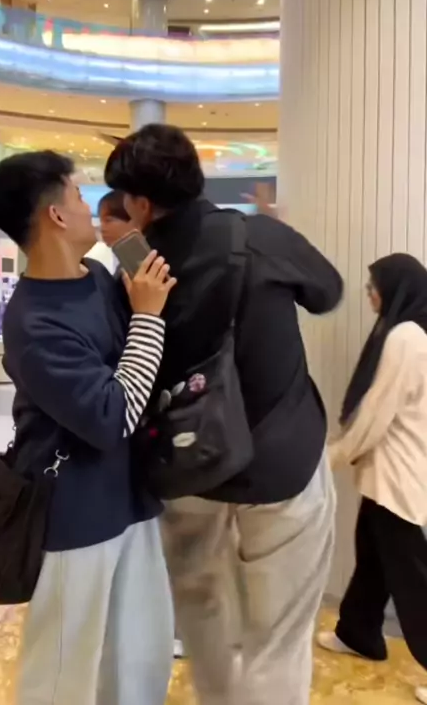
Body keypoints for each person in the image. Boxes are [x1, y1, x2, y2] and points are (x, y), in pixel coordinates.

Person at [104, 123, 343, 705]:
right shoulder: (259, 236)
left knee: (201, 609)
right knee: (277, 637)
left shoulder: (133, 266)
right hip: (281, 461)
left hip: (186, 467)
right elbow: (328, 291)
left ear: (140, 204)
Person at [0, 150, 176, 705]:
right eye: (79, 196)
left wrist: (146, 297)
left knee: (139, 656)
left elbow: (140, 364)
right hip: (74, 512)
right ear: (57, 216)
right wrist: (147, 316)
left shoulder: (98, 277)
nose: (92, 209)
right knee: (64, 670)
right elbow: (112, 417)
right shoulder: (33, 322)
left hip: (131, 499)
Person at [319, 254, 427, 705]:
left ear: (396, 287)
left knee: (413, 577)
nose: (369, 294)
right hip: (389, 471)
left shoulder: (406, 336)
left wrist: (331, 457)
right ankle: (359, 632)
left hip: (398, 473)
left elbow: (376, 413)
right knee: (373, 556)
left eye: (373, 286)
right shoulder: (406, 330)